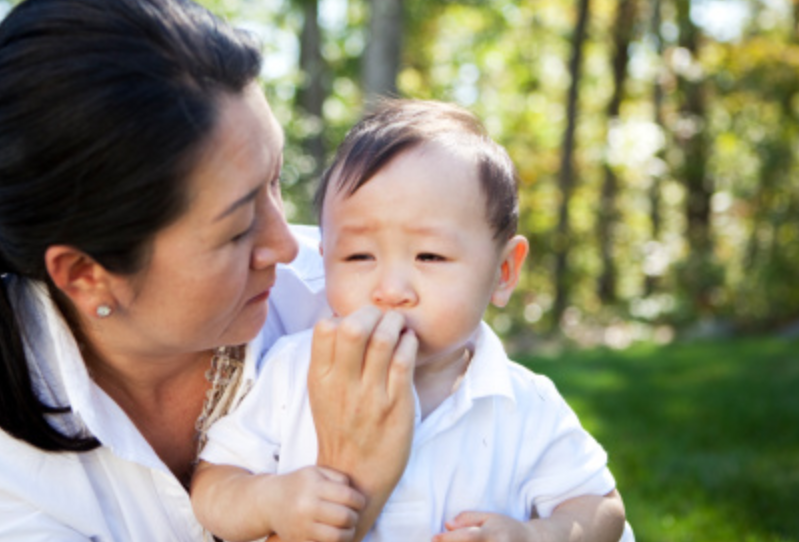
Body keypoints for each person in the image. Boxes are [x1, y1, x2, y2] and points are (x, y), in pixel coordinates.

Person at [0, 0, 419, 542]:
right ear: (87, 276)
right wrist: (354, 488)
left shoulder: (358, 295)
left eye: (275, 182)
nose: (285, 246)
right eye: (236, 231)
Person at [191, 100, 632, 542]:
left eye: (430, 256)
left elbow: (601, 508)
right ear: (325, 262)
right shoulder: (293, 369)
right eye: (359, 256)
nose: (391, 288)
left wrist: (534, 535)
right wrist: (272, 500)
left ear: (503, 272)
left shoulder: (522, 404)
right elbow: (213, 486)